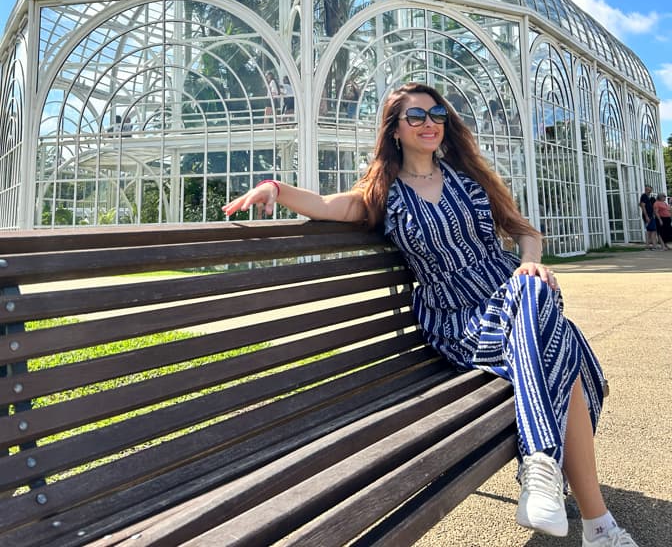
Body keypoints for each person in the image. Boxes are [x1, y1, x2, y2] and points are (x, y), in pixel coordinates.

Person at [224, 82, 638, 547]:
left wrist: (529, 260)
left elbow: (525, 231)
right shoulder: (382, 194)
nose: (429, 124)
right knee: (561, 349)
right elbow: (324, 205)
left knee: (535, 297)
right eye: (416, 116)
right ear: (395, 131)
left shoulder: (471, 179)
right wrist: (275, 188)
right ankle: (593, 522)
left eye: (437, 114)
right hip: (458, 319)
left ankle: (545, 471)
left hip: (514, 297)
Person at [639, 185, 661, 250]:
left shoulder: (649, 197)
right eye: (648, 190)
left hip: (651, 216)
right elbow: (643, 206)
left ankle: (648, 246)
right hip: (648, 216)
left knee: (650, 231)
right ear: (646, 189)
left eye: (650, 190)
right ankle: (654, 246)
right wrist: (646, 216)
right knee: (652, 231)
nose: (649, 191)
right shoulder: (644, 196)